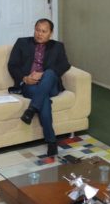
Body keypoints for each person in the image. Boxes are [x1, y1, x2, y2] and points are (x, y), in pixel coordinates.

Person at [8, 18, 71, 157]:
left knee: (49, 73)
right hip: (30, 85)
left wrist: (42, 74)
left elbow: (65, 65)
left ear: (50, 33)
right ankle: (52, 141)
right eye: (37, 30)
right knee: (44, 100)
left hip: (51, 84)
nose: (39, 34)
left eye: (44, 31)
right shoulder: (22, 42)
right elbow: (12, 65)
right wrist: (25, 78)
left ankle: (31, 109)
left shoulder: (58, 46)